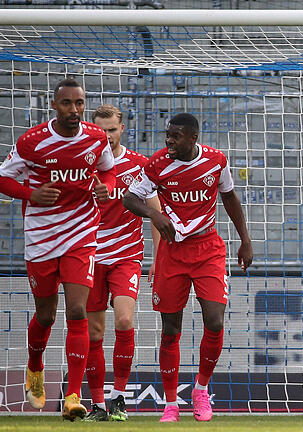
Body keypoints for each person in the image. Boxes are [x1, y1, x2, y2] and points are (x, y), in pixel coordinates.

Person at [123, 113, 252, 423]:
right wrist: (155, 216)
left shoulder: (215, 162)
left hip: (208, 249)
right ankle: (170, 404)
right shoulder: (157, 165)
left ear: (193, 138)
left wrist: (245, 240)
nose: (169, 140)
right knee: (171, 330)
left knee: (215, 321)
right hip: (172, 252)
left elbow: (230, 198)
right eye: (168, 135)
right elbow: (130, 198)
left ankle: (201, 390)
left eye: (176, 136)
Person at [0, 78, 116, 420]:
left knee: (77, 311)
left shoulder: (95, 137)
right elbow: (3, 177)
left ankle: (73, 395)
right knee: (47, 315)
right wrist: (30, 194)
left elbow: (108, 172)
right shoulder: (33, 142)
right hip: (41, 236)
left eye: (79, 103)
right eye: (67, 103)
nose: (74, 110)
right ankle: (35, 366)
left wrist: (105, 189)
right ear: (54, 105)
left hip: (81, 232)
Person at [82, 105, 161, 422]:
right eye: (101, 131)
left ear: (122, 129)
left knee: (125, 321)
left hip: (127, 255)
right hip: (88, 256)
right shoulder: (85, 164)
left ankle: (118, 399)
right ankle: (98, 405)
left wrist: (159, 256)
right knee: (94, 333)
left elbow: (154, 210)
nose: (106, 136)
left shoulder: (138, 165)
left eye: (112, 130)